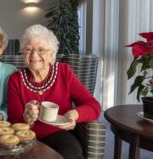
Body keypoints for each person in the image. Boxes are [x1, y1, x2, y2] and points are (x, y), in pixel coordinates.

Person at [7, 24, 101, 159]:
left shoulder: (64, 72)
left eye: (41, 50)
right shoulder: (16, 79)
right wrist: (26, 117)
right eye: (29, 49)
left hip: (59, 134)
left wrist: (75, 114)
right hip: (26, 136)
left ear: (52, 53)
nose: (34, 55)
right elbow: (14, 120)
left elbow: (94, 106)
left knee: (70, 154)